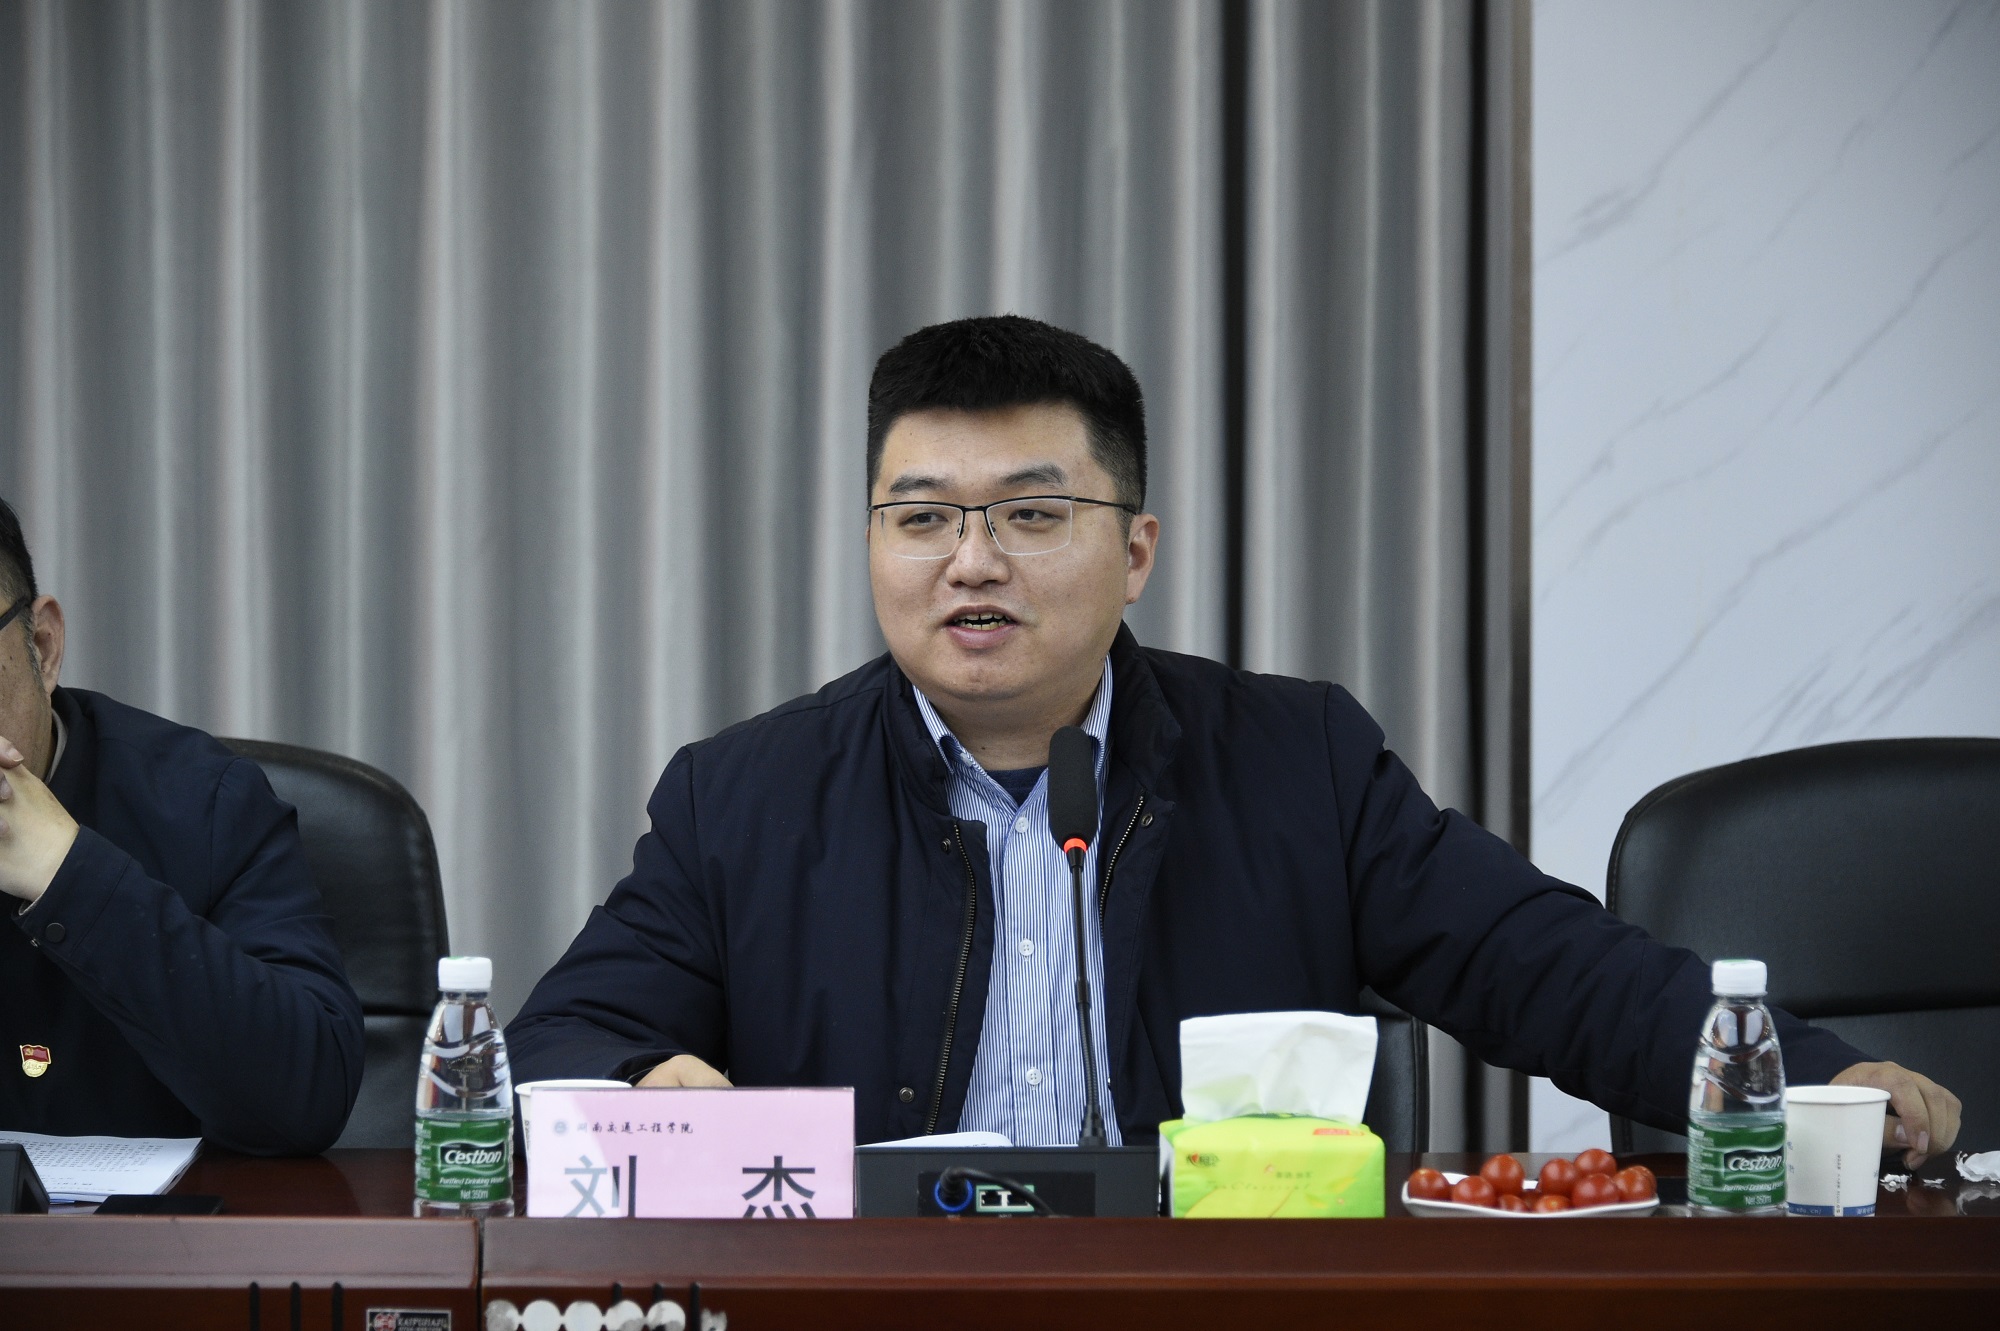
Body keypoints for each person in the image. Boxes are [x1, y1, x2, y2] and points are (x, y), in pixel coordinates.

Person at [507, 315, 1961, 1165]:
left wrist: (1804, 1074)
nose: (971, 560)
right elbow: (560, 1039)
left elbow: (1547, 965)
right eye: (923, 516)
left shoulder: (1292, 761)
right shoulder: (743, 797)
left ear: (1134, 550)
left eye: (1029, 513)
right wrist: (641, 1085)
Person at [0, 498, 363, 1154]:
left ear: (43, 647)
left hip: (168, 1219)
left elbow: (311, 1094)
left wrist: (68, 872)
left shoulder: (204, 802)